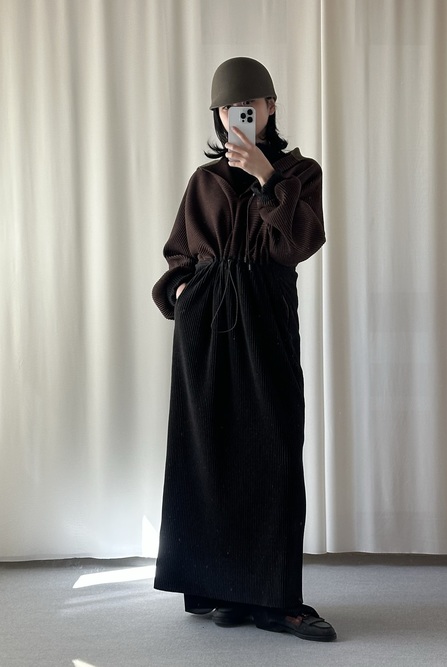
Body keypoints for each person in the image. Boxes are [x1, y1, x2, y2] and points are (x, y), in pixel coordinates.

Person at [152, 57, 336, 642]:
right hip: (205, 323)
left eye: (249, 107)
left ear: (270, 107)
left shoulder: (300, 173)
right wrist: (182, 292)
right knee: (210, 451)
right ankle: (227, 592)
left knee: (272, 449)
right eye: (228, 110)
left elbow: (299, 242)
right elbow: (179, 251)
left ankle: (276, 601)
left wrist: (266, 177)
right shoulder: (203, 181)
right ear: (218, 115)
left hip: (265, 316)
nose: (238, 116)